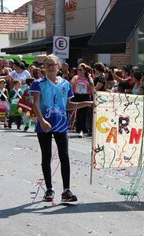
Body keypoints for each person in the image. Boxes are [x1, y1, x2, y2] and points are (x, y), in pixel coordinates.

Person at [30, 54, 94, 202]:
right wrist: (42, 120)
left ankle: (66, 190)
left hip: (61, 124)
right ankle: (49, 189)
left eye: (54, 64)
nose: (51, 67)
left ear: (58, 66)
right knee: (46, 156)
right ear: (44, 67)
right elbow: (35, 104)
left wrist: (87, 103)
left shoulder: (65, 84)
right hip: (44, 124)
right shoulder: (38, 83)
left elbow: (68, 105)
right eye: (48, 65)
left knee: (64, 156)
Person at [70, 63, 94, 138]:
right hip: (77, 96)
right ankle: (80, 128)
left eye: (80, 70)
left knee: (84, 113)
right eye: (78, 70)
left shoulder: (89, 78)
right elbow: (70, 85)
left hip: (86, 96)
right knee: (79, 112)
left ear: (84, 71)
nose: (79, 71)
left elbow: (92, 88)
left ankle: (83, 129)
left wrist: (94, 97)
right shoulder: (75, 77)